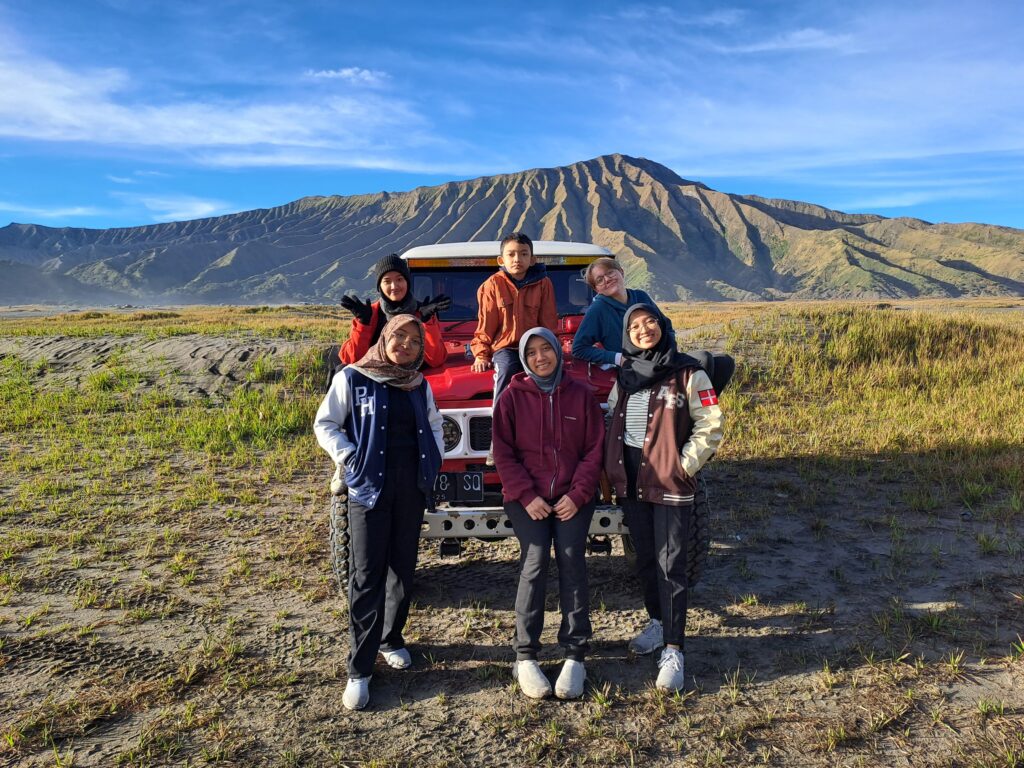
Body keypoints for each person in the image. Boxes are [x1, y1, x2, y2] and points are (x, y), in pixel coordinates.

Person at [313, 315, 444, 711]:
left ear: (421, 350)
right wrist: (349, 457)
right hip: (368, 490)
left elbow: (436, 426)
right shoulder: (353, 377)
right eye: (398, 337)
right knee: (367, 574)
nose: (405, 345)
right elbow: (326, 423)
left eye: (414, 341)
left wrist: (434, 463)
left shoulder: (418, 385)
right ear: (384, 338)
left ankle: (391, 639)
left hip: (410, 489)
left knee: (403, 569)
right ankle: (360, 669)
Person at [603, 304, 724, 693]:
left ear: (662, 325)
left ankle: (675, 649)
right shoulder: (623, 378)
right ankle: (657, 623)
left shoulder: (689, 372)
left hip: (670, 479)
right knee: (644, 558)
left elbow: (710, 424)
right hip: (632, 479)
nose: (643, 330)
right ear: (627, 335)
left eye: (650, 322)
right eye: (634, 326)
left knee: (672, 564)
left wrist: (684, 466)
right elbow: (610, 418)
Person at [492, 328, 605, 700]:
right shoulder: (510, 398)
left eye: (547, 349)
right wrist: (526, 496)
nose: (541, 357)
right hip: (527, 499)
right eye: (533, 352)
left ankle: (575, 655)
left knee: (573, 559)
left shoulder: (582, 396)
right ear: (524, 358)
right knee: (535, 560)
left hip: (574, 497)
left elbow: (594, 450)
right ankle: (526, 656)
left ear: (558, 351)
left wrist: (579, 493)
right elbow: (504, 454)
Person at [339, 253, 450, 369]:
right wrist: (363, 324)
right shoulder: (369, 314)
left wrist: (427, 322)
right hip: (375, 381)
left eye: (399, 279)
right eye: (387, 281)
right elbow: (350, 360)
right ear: (379, 287)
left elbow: (436, 360)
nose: (394, 286)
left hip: (414, 381)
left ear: (407, 282)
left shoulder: (423, 313)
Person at [571, 256, 674, 368]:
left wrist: (669, 349)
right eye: (599, 280)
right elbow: (579, 349)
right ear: (596, 289)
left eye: (610, 273)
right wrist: (619, 358)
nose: (607, 279)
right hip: (634, 371)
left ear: (621, 272)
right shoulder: (598, 309)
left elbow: (666, 325)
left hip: (662, 361)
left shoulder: (641, 296)